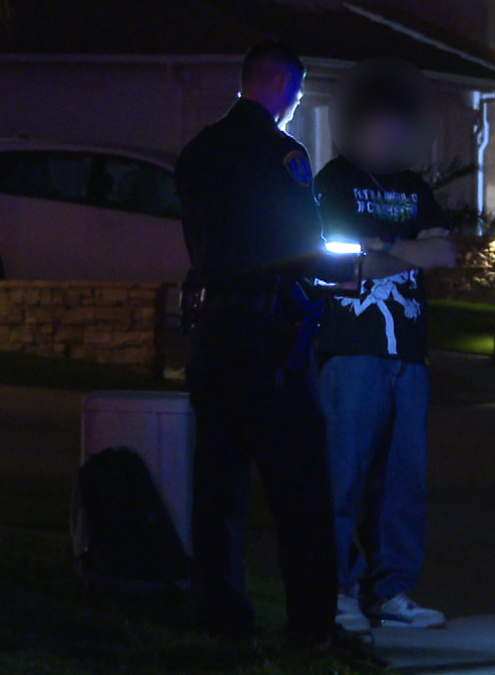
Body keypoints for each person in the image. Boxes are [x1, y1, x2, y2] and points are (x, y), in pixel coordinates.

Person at [176, 39, 410, 647]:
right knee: (301, 489)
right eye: (298, 92)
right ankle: (310, 625)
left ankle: (220, 615)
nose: (295, 104)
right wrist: (349, 261)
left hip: (214, 335)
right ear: (281, 85)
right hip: (270, 341)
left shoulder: (198, 151)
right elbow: (304, 245)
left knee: (218, 485)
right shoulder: (283, 155)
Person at [314, 95, 456, 630]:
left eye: (398, 131)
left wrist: (382, 248)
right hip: (351, 348)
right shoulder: (332, 183)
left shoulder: (414, 188)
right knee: (342, 476)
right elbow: (338, 264)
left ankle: (391, 591)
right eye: (381, 129)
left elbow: (443, 253)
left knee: (402, 481)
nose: (391, 140)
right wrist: (405, 249)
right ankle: (338, 589)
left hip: (408, 355)